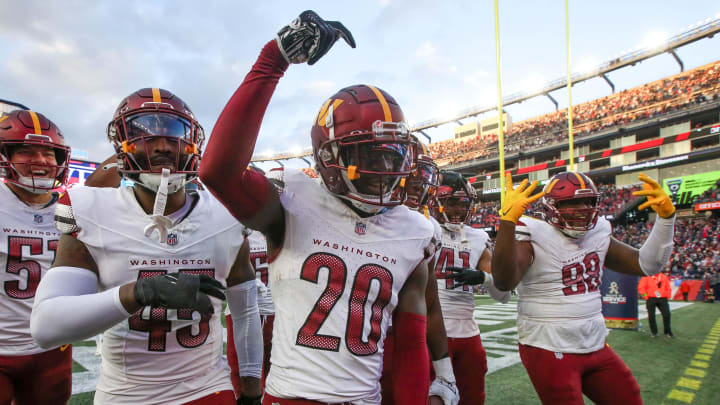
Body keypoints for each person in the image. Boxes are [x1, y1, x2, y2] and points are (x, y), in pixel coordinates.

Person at [200, 10, 435, 405]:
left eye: (393, 155)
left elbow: (412, 344)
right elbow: (218, 172)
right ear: (328, 158)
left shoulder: (415, 230)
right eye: (368, 155)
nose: (385, 169)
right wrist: (272, 60)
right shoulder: (293, 203)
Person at [30, 88, 263, 405]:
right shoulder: (90, 208)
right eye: (147, 133)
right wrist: (138, 293)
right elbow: (47, 326)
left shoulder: (226, 212)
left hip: (207, 387)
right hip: (127, 394)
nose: (164, 145)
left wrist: (250, 387)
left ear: (194, 141)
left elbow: (246, 310)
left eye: (174, 133)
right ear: (121, 144)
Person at [492, 171, 676, 405]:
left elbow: (648, 264)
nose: (581, 209)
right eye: (571, 203)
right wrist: (507, 224)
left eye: (587, 202)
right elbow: (503, 282)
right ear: (551, 206)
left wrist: (667, 218)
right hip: (547, 343)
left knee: (629, 398)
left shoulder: (598, 231)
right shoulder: (533, 233)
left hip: (594, 341)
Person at [0, 109, 73, 405]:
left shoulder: (73, 207)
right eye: (27, 151)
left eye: (49, 153)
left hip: (51, 347)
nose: (41, 161)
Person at [380, 141, 460, 405]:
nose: (417, 186)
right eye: (409, 177)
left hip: (407, 343)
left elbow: (430, 302)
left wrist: (446, 372)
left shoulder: (428, 228)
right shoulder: (363, 219)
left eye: (423, 177)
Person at [429, 171, 511, 405]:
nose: (458, 210)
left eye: (463, 203)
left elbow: (503, 294)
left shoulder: (476, 237)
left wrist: (483, 278)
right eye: (451, 202)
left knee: (473, 398)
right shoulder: (422, 227)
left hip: (468, 334)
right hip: (430, 331)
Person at [638, 271, 674, 337]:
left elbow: (668, 287)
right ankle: (654, 332)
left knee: (667, 314)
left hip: (662, 298)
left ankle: (667, 331)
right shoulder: (646, 277)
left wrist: (667, 295)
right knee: (651, 316)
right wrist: (646, 296)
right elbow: (641, 287)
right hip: (651, 298)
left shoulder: (663, 277)